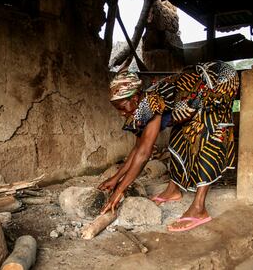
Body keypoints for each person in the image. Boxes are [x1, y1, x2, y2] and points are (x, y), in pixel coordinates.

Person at [98, 60, 239, 232]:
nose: (121, 113)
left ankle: (199, 208)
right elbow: (138, 147)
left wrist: (119, 190)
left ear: (135, 97)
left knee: (205, 133)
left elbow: (144, 154)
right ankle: (173, 190)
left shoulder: (152, 102)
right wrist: (116, 178)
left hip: (219, 81)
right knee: (179, 137)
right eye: (117, 109)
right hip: (193, 98)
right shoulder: (140, 106)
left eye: (122, 107)